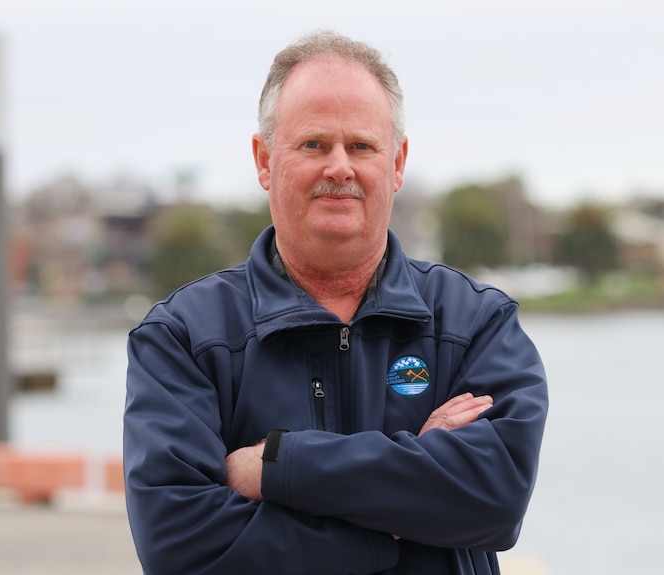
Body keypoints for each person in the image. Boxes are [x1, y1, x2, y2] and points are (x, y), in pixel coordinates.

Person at [124, 30, 548, 575]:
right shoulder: (183, 338)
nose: (340, 168)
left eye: (362, 146)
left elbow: (496, 498)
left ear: (397, 163)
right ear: (264, 159)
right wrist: (395, 519)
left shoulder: (475, 324)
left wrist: (274, 467)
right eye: (314, 144)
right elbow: (178, 543)